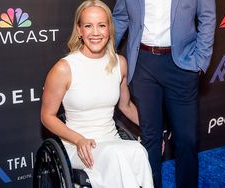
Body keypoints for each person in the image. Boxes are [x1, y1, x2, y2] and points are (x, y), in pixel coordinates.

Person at [40, 0, 154, 187]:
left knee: (138, 151)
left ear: (109, 29)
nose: (95, 33)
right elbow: (47, 116)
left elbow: (126, 106)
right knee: (117, 155)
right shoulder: (64, 68)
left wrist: (153, 131)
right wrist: (78, 140)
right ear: (79, 30)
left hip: (111, 139)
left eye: (101, 25)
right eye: (88, 26)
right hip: (77, 145)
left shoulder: (120, 63)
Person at [113, 0, 216, 187]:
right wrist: (106, 56)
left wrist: (200, 61)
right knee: (150, 137)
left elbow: (207, 17)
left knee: (187, 140)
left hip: (182, 65)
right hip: (143, 63)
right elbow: (120, 17)